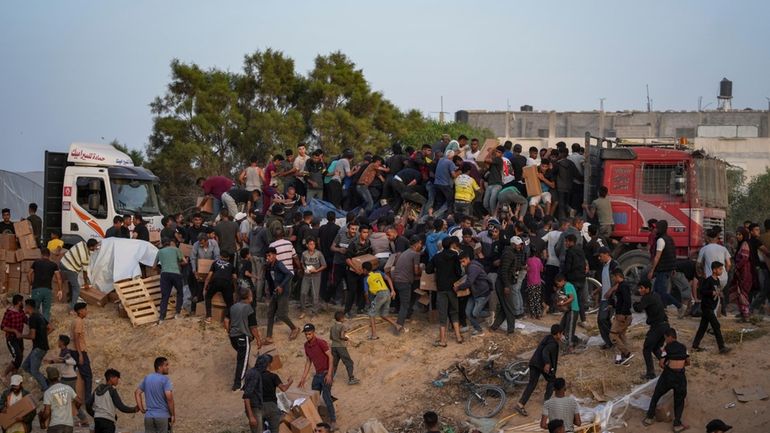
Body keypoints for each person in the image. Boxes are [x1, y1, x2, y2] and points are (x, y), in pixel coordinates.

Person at [643, 328, 689, 433]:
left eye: (665, 338)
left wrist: (668, 368)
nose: (665, 341)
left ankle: (649, 418)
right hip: (680, 376)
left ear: (670, 337)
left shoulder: (667, 348)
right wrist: (680, 366)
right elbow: (688, 362)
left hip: (668, 375)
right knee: (679, 400)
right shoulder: (684, 347)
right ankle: (677, 424)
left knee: (656, 395)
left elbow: (661, 363)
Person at [515, 324, 563, 416]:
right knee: (552, 380)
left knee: (532, 384)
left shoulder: (548, 338)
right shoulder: (553, 344)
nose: (562, 336)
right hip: (541, 365)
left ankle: (520, 404)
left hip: (535, 363)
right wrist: (547, 363)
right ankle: (547, 401)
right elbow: (545, 352)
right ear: (557, 334)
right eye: (561, 334)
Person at [427, 237, 463, 346]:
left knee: (442, 314)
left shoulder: (437, 257)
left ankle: (442, 340)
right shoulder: (455, 256)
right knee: (454, 312)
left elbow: (428, 270)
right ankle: (458, 337)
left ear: (442, 246)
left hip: (441, 288)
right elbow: (459, 272)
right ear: (451, 245)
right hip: (453, 288)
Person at [298, 324, 336, 430]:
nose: (308, 336)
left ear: (313, 332)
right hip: (317, 374)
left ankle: (333, 421)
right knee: (313, 397)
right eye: (306, 334)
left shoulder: (321, 342)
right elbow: (308, 361)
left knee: (326, 397)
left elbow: (331, 357)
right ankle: (316, 420)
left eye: (309, 334)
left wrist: (329, 374)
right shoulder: (306, 345)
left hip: (325, 373)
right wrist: (303, 378)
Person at [243, 354, 292, 433]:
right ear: (269, 364)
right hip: (271, 407)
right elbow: (283, 388)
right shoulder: (273, 376)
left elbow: (246, 397)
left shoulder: (252, 375)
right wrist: (290, 382)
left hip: (256, 408)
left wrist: (251, 416)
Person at [225, 288, 262, 391]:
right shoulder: (248, 308)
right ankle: (238, 384)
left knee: (241, 358)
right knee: (242, 361)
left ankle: (240, 381)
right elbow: (253, 327)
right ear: (248, 296)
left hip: (233, 337)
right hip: (243, 337)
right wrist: (258, 339)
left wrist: (229, 332)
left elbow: (226, 320)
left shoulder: (233, 307)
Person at [633, 279, 670, 380]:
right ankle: (669, 366)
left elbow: (639, 308)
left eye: (641, 288)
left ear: (647, 289)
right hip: (665, 325)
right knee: (655, 348)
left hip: (657, 327)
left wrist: (635, 303)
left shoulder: (647, 297)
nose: (639, 290)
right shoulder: (655, 295)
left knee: (646, 349)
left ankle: (650, 373)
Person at [692, 261, 731, 354]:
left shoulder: (717, 280)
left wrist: (719, 294)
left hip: (711, 307)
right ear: (714, 270)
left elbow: (716, 291)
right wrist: (711, 293)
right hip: (707, 307)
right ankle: (721, 347)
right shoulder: (708, 280)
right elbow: (702, 291)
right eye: (720, 269)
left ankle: (695, 345)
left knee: (702, 327)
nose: (721, 271)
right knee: (716, 326)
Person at [48, 334, 88, 427]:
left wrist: (58, 361)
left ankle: (83, 418)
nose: (58, 342)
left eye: (59, 341)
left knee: (71, 400)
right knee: (65, 399)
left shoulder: (67, 352)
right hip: (64, 378)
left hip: (69, 379)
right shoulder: (63, 351)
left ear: (62, 342)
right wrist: (54, 361)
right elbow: (63, 360)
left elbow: (72, 362)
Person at [264, 247, 299, 344]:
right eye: (266, 256)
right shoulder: (270, 266)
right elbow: (270, 279)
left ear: (275, 255)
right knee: (270, 313)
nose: (268, 257)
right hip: (275, 292)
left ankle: (294, 328)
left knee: (281, 314)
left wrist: (281, 285)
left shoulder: (279, 264)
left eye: (269, 255)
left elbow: (290, 274)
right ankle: (268, 337)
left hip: (283, 292)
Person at [647, 220, 684, 312]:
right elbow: (672, 254)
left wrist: (652, 270)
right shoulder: (669, 238)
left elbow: (657, 257)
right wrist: (673, 267)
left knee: (662, 292)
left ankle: (679, 306)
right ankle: (661, 308)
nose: (655, 229)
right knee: (656, 290)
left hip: (662, 269)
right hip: (667, 268)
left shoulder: (661, 240)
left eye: (656, 228)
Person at [87, 368, 139, 433]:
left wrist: (96, 414)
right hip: (108, 422)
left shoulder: (97, 389)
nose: (117, 381)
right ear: (111, 378)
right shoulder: (112, 390)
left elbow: (88, 404)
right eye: (117, 379)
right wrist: (134, 409)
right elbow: (121, 407)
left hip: (97, 421)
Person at [135, 357, 175, 433]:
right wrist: (172, 415)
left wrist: (142, 409)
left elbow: (137, 393)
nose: (168, 367)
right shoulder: (165, 380)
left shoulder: (147, 378)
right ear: (160, 367)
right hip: (163, 417)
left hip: (149, 417)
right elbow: (169, 398)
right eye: (166, 365)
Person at [362, 261, 400, 339]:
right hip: (387, 292)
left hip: (380, 295)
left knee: (371, 314)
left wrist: (367, 301)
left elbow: (366, 293)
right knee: (383, 314)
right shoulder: (378, 273)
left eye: (363, 269)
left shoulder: (366, 279)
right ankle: (397, 325)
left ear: (365, 270)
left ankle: (374, 335)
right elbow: (388, 278)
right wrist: (392, 290)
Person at [456, 252, 491, 336]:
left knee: (474, 313)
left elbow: (469, 281)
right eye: (461, 262)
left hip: (482, 293)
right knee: (468, 312)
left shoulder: (472, 268)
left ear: (468, 259)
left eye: (463, 261)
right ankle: (478, 329)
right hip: (475, 293)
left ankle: (489, 313)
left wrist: (459, 287)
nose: (462, 264)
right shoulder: (469, 266)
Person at [59, 238, 99, 311]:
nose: (96, 248)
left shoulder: (82, 243)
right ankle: (72, 309)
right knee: (76, 288)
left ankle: (70, 300)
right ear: (91, 247)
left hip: (62, 262)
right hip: (70, 268)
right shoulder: (85, 257)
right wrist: (86, 283)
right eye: (95, 247)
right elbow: (84, 271)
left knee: (72, 284)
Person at [392, 236, 422, 329]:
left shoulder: (405, 252)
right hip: (404, 282)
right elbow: (416, 271)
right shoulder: (415, 254)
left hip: (396, 280)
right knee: (405, 305)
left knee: (403, 302)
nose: (421, 246)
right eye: (421, 244)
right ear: (417, 243)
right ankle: (399, 325)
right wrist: (422, 270)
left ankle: (405, 316)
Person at [40, 366, 81, 433]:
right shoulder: (68, 388)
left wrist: (42, 419)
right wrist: (75, 408)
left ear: (48, 379)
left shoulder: (48, 392)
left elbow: (47, 412)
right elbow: (79, 401)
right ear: (58, 376)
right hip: (68, 426)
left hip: (55, 425)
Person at [606, 268, 634, 364]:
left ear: (618, 276)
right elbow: (621, 301)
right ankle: (621, 357)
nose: (613, 279)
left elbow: (627, 301)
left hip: (623, 316)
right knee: (621, 335)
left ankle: (626, 353)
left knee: (613, 335)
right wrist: (612, 305)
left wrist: (622, 314)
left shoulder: (623, 286)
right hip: (623, 314)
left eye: (613, 277)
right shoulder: (621, 286)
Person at [154, 238, 186, 322]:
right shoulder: (176, 249)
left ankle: (161, 317)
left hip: (164, 275)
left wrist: (161, 269)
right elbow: (185, 262)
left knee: (165, 296)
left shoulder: (159, 252)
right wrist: (177, 263)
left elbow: (153, 267)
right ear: (170, 243)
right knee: (180, 292)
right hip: (176, 273)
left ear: (162, 244)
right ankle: (177, 313)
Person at [22, 299, 50, 390]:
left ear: (28, 307)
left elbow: (32, 336)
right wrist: (42, 336)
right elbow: (51, 327)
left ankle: (47, 389)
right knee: (25, 366)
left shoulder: (32, 318)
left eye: (25, 306)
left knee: (34, 371)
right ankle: (45, 381)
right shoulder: (40, 316)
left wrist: (21, 336)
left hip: (39, 348)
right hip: (40, 347)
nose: (24, 308)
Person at [70, 302, 93, 404]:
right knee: (88, 376)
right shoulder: (79, 322)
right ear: (80, 311)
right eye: (85, 309)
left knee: (81, 375)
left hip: (74, 350)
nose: (86, 311)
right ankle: (88, 400)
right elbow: (76, 338)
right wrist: (80, 354)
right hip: (79, 351)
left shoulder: (76, 321)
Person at [203, 251, 236, 323]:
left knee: (208, 296)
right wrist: (235, 289)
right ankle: (227, 319)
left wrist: (205, 287)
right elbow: (235, 278)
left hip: (216, 282)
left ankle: (209, 317)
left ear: (220, 257)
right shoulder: (231, 265)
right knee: (230, 303)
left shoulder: (215, 263)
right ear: (228, 258)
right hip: (227, 283)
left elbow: (209, 276)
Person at [595, 247, 618, 349]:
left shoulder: (614, 265)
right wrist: (598, 290)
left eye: (601, 256)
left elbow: (620, 282)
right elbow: (605, 281)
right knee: (604, 320)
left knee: (603, 319)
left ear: (607, 254)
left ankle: (611, 341)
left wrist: (611, 290)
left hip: (611, 298)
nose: (599, 258)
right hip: (604, 298)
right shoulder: (603, 266)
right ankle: (611, 341)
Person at [330, 311, 360, 385]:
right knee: (349, 362)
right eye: (343, 318)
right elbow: (342, 336)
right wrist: (346, 338)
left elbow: (330, 337)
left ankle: (330, 378)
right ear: (341, 319)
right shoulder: (342, 326)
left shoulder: (332, 327)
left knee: (334, 363)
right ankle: (351, 378)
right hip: (341, 347)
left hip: (333, 346)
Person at [729, 227, 752, 321]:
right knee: (739, 293)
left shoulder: (745, 244)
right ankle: (743, 313)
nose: (738, 236)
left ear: (744, 235)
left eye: (740, 234)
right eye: (737, 234)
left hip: (744, 272)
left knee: (743, 293)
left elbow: (744, 258)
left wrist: (737, 267)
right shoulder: (741, 245)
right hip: (740, 272)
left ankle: (746, 315)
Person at [300, 237, 327, 318]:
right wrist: (305, 269)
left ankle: (314, 312)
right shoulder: (304, 254)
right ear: (307, 245)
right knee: (303, 292)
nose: (312, 246)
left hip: (316, 276)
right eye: (310, 244)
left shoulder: (319, 254)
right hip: (307, 276)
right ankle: (303, 310)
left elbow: (324, 265)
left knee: (315, 294)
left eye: (313, 244)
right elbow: (302, 263)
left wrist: (317, 270)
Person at [2, 294, 26, 377]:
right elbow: (3, 326)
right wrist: (14, 331)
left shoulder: (21, 312)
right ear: (19, 302)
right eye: (22, 302)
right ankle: (4, 374)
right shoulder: (9, 313)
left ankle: (14, 373)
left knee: (20, 356)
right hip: (11, 338)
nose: (23, 303)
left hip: (19, 338)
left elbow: (26, 321)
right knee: (17, 356)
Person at [555, 275, 579, 351]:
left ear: (562, 281)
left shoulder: (567, 286)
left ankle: (570, 346)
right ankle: (568, 342)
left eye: (558, 283)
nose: (557, 285)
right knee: (563, 325)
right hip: (569, 309)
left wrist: (562, 304)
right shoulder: (567, 285)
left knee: (570, 328)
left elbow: (572, 298)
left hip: (573, 309)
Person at [525, 248, 544, 319]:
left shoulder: (528, 260)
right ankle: (538, 314)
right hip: (538, 282)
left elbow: (526, 269)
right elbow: (541, 269)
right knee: (537, 298)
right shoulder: (539, 260)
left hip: (530, 282)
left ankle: (533, 314)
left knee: (531, 298)